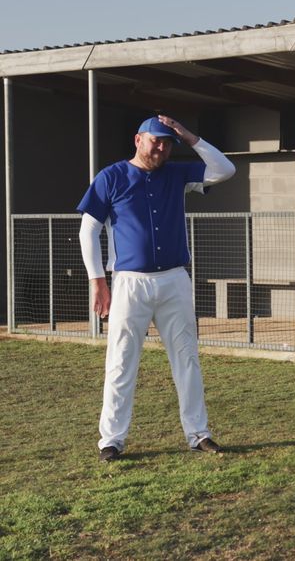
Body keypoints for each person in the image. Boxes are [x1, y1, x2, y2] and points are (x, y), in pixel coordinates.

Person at [77, 115, 236, 462]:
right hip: (129, 283)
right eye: (156, 140)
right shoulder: (112, 177)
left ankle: (199, 434)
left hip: (175, 279)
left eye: (168, 142)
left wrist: (189, 136)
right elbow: (87, 231)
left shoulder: (177, 173)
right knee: (120, 361)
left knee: (187, 358)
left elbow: (225, 170)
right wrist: (97, 281)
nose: (162, 148)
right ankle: (111, 440)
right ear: (138, 139)